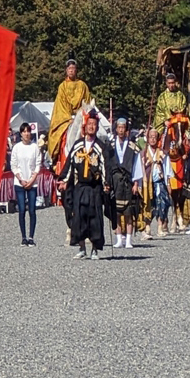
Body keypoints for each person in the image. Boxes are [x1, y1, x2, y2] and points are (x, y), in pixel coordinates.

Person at [65, 112, 106, 259]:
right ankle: (81, 247)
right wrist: (64, 180)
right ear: (85, 126)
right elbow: (69, 164)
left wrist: (106, 183)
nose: (92, 127)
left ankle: (95, 249)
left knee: (95, 218)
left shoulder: (100, 146)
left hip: (94, 187)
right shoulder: (78, 145)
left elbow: (105, 166)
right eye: (89, 124)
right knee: (79, 217)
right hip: (81, 187)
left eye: (94, 125)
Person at [102, 117, 141, 250]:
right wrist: (107, 181)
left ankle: (129, 239)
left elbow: (137, 166)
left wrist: (136, 183)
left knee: (128, 212)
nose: (121, 130)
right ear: (116, 129)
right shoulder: (110, 146)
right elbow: (107, 165)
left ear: (126, 130)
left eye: (123, 128)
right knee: (117, 212)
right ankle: (119, 238)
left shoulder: (133, 147)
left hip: (128, 181)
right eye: (119, 128)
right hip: (115, 181)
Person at [45, 60, 91, 166]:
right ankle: (56, 160)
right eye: (69, 69)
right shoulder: (62, 86)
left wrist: (82, 115)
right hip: (66, 118)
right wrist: (69, 118)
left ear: (76, 70)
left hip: (81, 117)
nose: (71, 71)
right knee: (60, 137)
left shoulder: (83, 85)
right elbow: (60, 105)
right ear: (66, 70)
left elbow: (87, 102)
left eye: (73, 69)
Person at [9, 122, 40, 245]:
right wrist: (20, 179)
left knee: (32, 210)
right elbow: (13, 165)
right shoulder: (17, 148)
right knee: (22, 210)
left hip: (32, 182)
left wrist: (32, 179)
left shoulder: (35, 147)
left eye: (28, 131)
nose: (26, 134)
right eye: (24, 132)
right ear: (21, 133)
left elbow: (38, 164)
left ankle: (31, 236)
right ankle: (23, 236)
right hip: (19, 182)